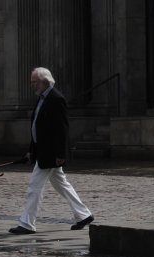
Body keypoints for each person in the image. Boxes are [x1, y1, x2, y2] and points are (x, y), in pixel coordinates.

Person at [8, 67, 93, 234]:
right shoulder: (42, 98)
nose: (32, 85)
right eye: (32, 82)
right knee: (61, 184)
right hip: (43, 151)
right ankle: (84, 215)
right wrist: (32, 150)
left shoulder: (56, 99)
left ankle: (27, 224)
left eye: (35, 82)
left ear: (45, 81)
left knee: (34, 187)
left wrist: (61, 154)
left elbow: (62, 129)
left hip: (50, 153)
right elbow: (37, 128)